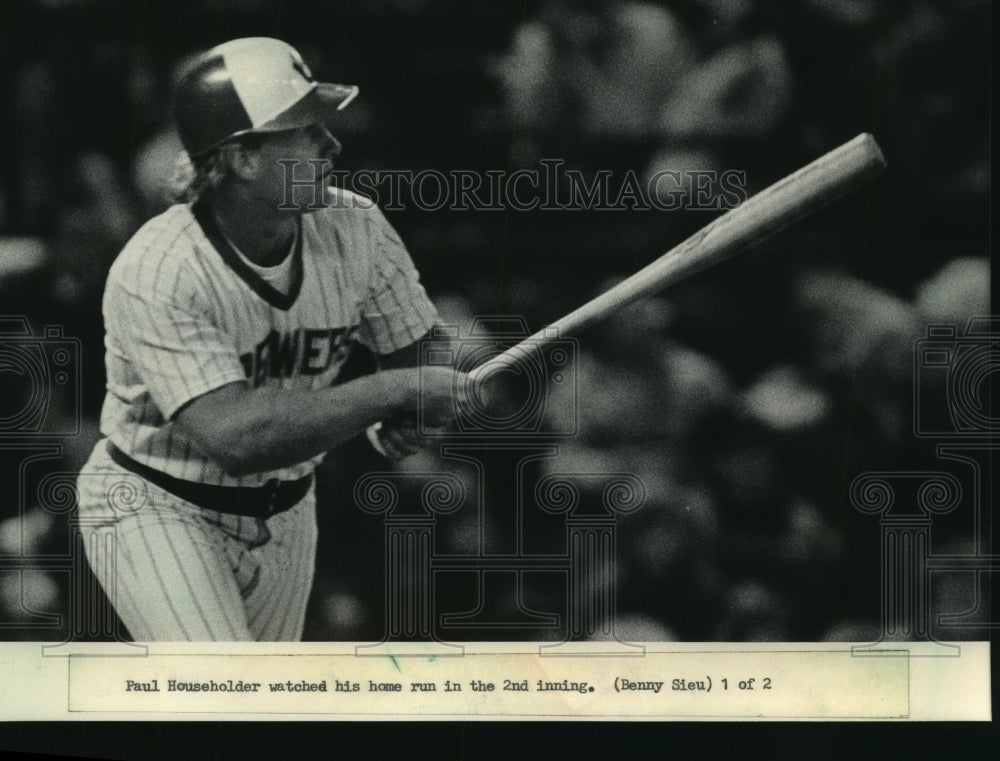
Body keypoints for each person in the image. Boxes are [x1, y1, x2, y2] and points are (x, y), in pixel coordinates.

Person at [75, 37, 462, 641]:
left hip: (288, 509)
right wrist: (391, 391)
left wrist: (410, 406)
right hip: (158, 501)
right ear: (242, 159)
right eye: (307, 131)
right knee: (225, 699)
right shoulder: (161, 267)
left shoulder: (354, 223)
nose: (332, 145)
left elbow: (417, 346)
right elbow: (237, 437)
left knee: (255, 722)